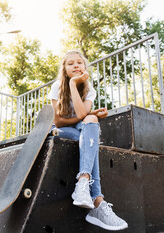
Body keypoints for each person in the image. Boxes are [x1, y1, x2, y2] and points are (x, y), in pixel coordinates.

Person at [47, 50, 128, 231]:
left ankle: (83, 182)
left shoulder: (89, 90)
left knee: (92, 122)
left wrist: (89, 114)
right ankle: (97, 201)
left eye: (79, 62)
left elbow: (84, 116)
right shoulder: (57, 86)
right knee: (90, 138)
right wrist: (72, 85)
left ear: (85, 67)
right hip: (60, 130)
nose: (76, 65)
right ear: (64, 69)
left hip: (79, 128)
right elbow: (58, 120)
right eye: (71, 63)